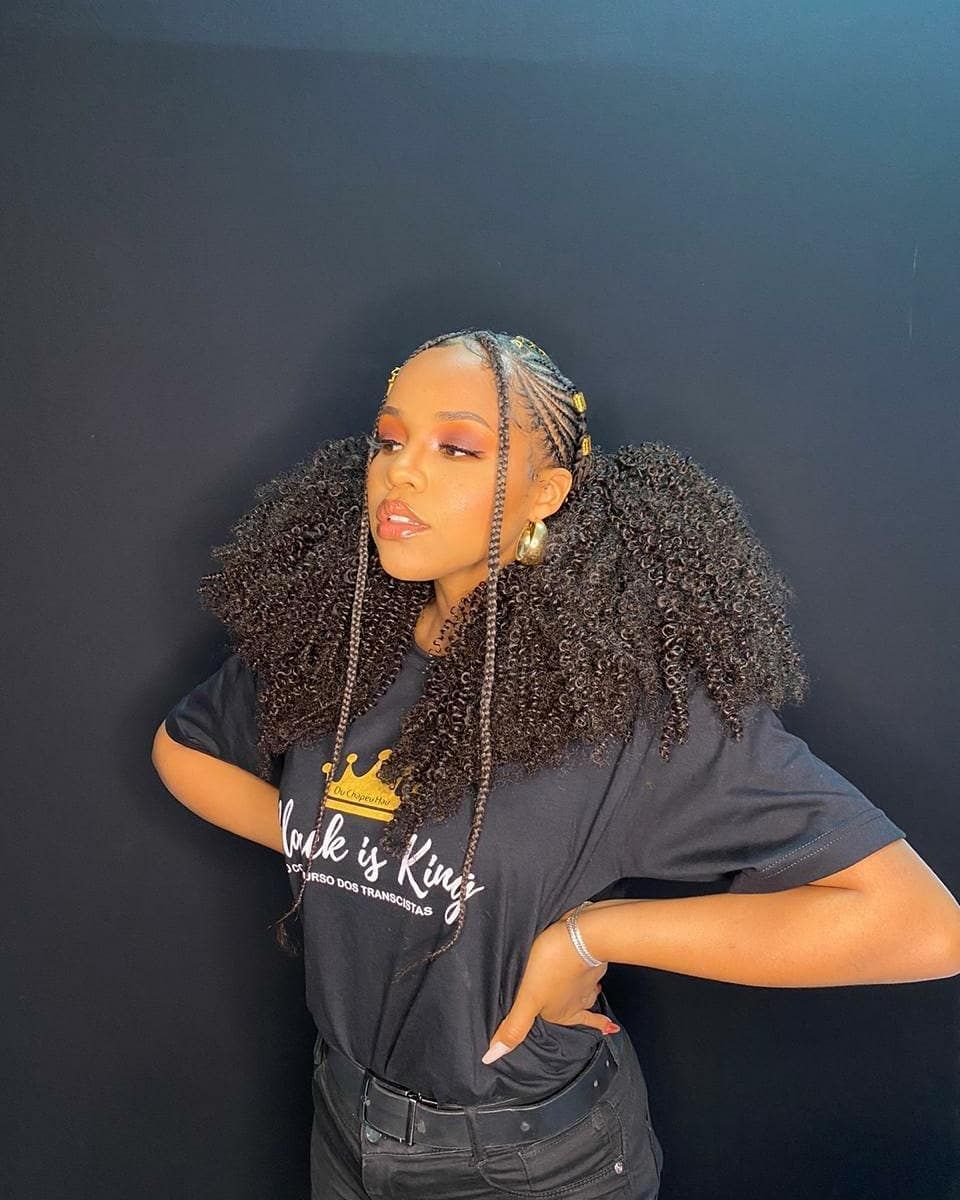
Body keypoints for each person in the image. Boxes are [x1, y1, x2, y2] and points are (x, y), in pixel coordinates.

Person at [152, 329, 957, 1200]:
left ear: (546, 492)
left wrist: (596, 934)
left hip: (525, 1165)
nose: (400, 473)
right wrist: (338, 842)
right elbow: (182, 750)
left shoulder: (623, 705)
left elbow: (922, 926)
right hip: (342, 1125)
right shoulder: (337, 645)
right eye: (388, 440)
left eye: (457, 449)